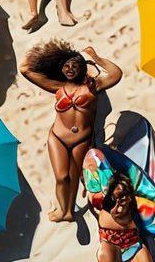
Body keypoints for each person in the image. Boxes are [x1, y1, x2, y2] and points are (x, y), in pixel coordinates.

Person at [20, 41, 122, 223]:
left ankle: (68, 211)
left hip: (81, 139)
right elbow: (25, 70)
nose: (70, 68)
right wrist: (36, 54)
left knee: (73, 176)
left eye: (75, 65)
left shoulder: (94, 86)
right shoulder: (57, 87)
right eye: (66, 65)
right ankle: (61, 209)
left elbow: (116, 74)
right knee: (62, 176)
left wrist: (97, 59)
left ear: (82, 69)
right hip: (57, 137)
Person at [90, 172, 150, 262]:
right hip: (110, 242)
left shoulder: (134, 203)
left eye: (124, 192)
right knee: (105, 253)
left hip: (132, 242)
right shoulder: (105, 202)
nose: (122, 196)